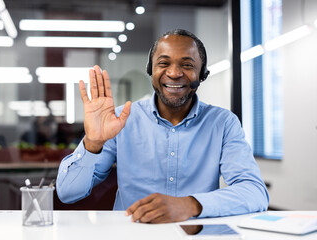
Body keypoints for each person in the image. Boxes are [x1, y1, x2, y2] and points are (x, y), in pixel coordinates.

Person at [56, 29, 269, 223]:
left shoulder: (223, 123)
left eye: (187, 65)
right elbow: (67, 193)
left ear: (202, 74)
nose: (174, 73)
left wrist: (190, 204)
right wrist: (93, 143)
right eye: (164, 63)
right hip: (131, 234)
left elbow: (254, 192)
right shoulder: (121, 119)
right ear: (151, 69)